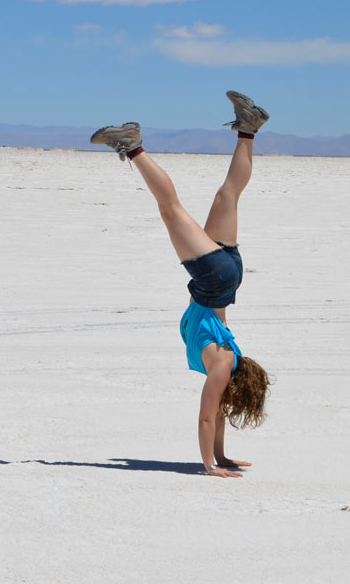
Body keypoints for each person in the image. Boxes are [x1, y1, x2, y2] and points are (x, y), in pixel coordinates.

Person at [90, 91, 273, 478]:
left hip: (228, 277)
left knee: (228, 194)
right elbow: (208, 418)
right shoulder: (222, 363)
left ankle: (248, 129)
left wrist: (223, 458)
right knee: (170, 209)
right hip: (213, 277)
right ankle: (133, 143)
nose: (228, 403)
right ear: (237, 384)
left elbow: (218, 413)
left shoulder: (229, 354)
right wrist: (209, 466)